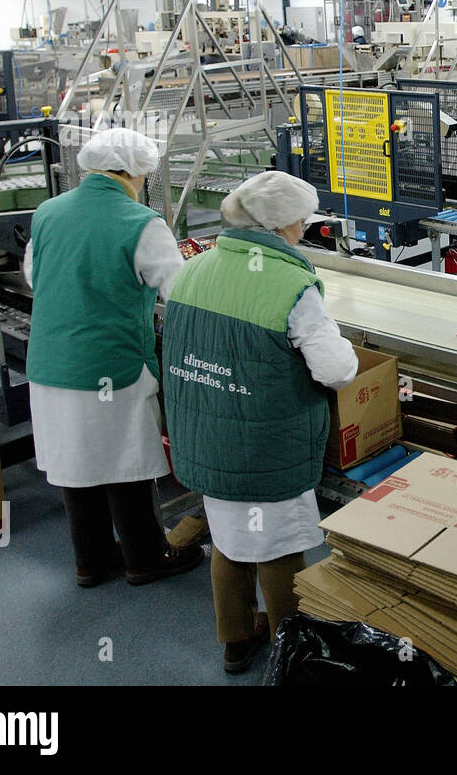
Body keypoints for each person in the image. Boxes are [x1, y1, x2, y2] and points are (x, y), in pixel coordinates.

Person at [162, 171, 358, 673]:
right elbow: (335, 371)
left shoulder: (192, 271)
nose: (303, 228)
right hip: (266, 445)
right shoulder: (292, 284)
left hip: (206, 438)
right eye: (300, 220)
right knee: (280, 550)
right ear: (280, 226)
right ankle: (289, 650)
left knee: (227, 541)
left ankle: (234, 640)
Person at [24, 128, 203, 588]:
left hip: (51, 363)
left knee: (76, 462)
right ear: (133, 172)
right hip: (111, 365)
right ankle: (147, 557)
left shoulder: (46, 212)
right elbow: (178, 291)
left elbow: (33, 274)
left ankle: (92, 559)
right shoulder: (140, 222)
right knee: (127, 463)